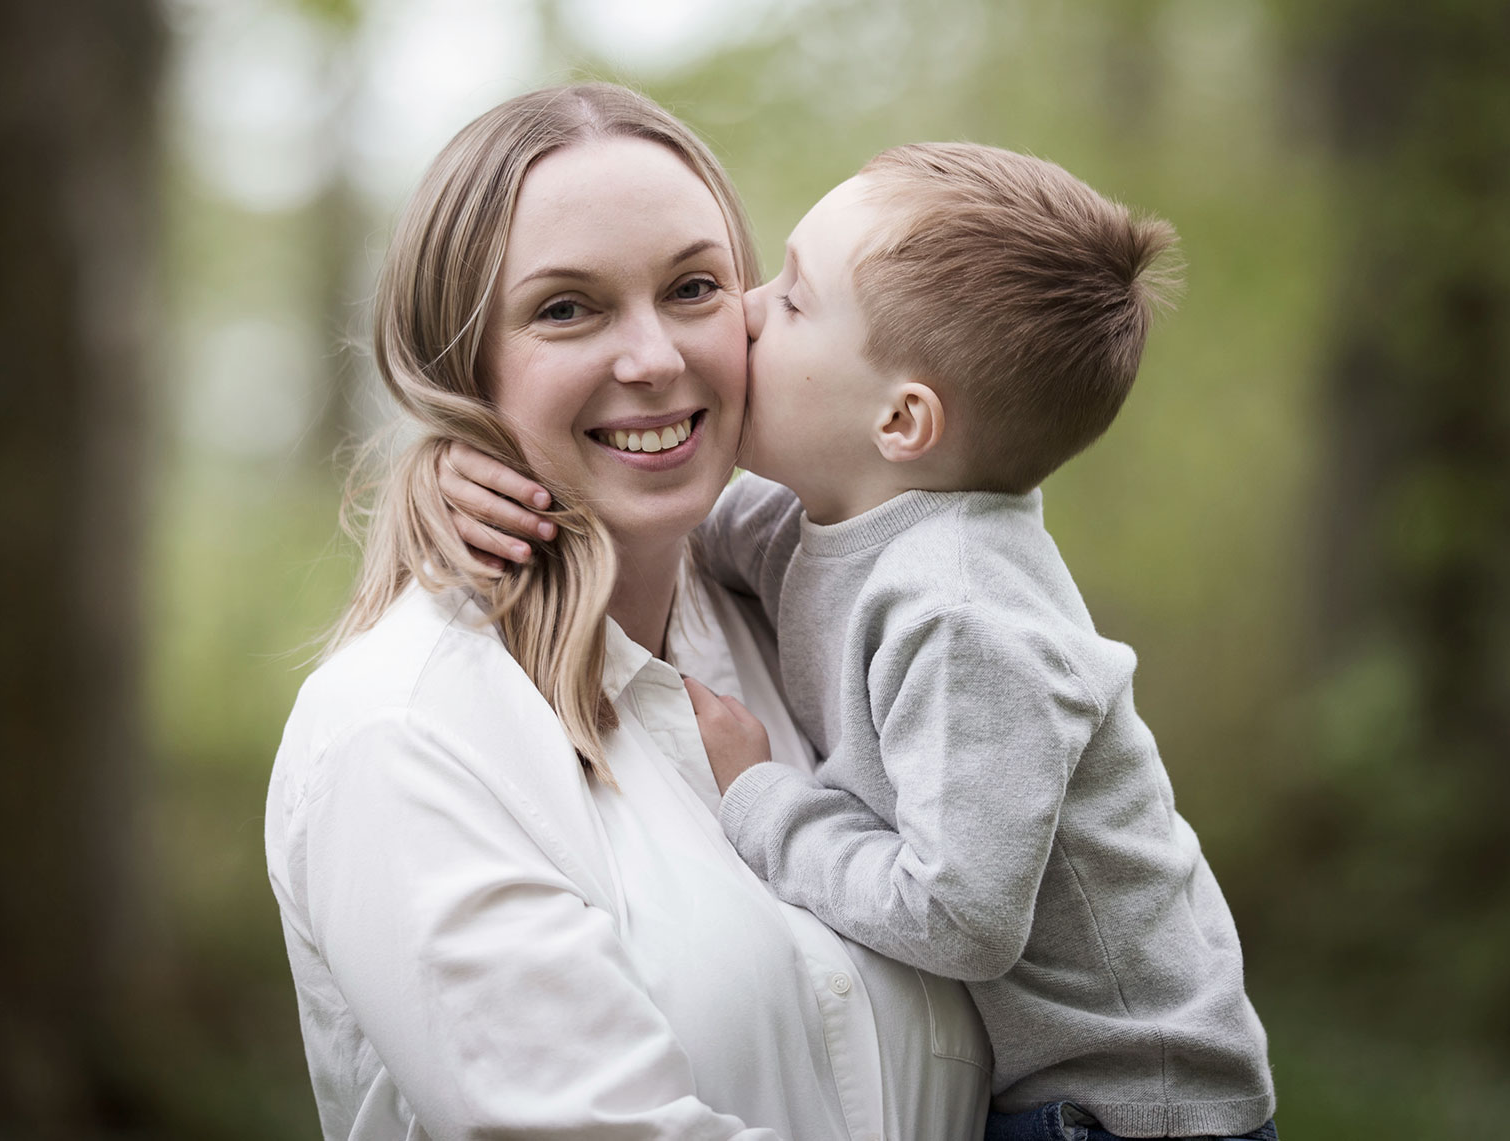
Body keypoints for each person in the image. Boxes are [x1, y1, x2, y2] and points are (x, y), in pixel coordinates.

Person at [454, 143, 1276, 1140]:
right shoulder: (835, 522)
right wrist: (486, 472)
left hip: (1126, 1112)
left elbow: (960, 917)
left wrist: (756, 797)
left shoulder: (960, 612)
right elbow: (653, 510)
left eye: (791, 301)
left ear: (900, 419)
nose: (743, 312)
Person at [264, 85, 993, 1141]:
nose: (654, 359)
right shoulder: (403, 734)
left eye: (693, 287)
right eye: (566, 308)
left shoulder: (823, 631)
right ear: (459, 366)